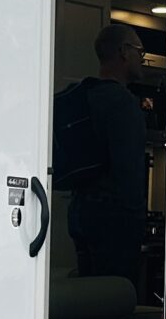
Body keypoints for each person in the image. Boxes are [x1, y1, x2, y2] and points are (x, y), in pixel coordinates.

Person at [52, 23, 151, 294]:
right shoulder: (123, 103)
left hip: (81, 211)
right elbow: (128, 170)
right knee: (116, 294)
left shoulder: (85, 94)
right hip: (114, 218)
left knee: (90, 294)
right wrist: (137, 218)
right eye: (139, 51)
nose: (142, 58)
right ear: (123, 51)